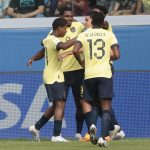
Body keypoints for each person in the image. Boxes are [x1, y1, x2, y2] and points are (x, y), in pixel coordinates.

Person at [28, 7, 85, 141]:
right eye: (64, 28)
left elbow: (43, 50)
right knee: (60, 104)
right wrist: (79, 37)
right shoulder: (53, 40)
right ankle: (56, 135)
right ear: (59, 28)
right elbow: (64, 46)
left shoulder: (48, 39)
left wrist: (33, 58)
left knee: (56, 105)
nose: (65, 31)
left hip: (51, 75)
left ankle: (36, 127)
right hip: (54, 76)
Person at [73, 11, 120, 147]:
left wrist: (83, 62)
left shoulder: (84, 34)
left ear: (92, 20)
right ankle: (103, 138)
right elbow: (117, 55)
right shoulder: (109, 34)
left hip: (89, 74)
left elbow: (75, 50)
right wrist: (105, 57)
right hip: (105, 73)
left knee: (90, 103)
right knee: (105, 108)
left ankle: (92, 125)